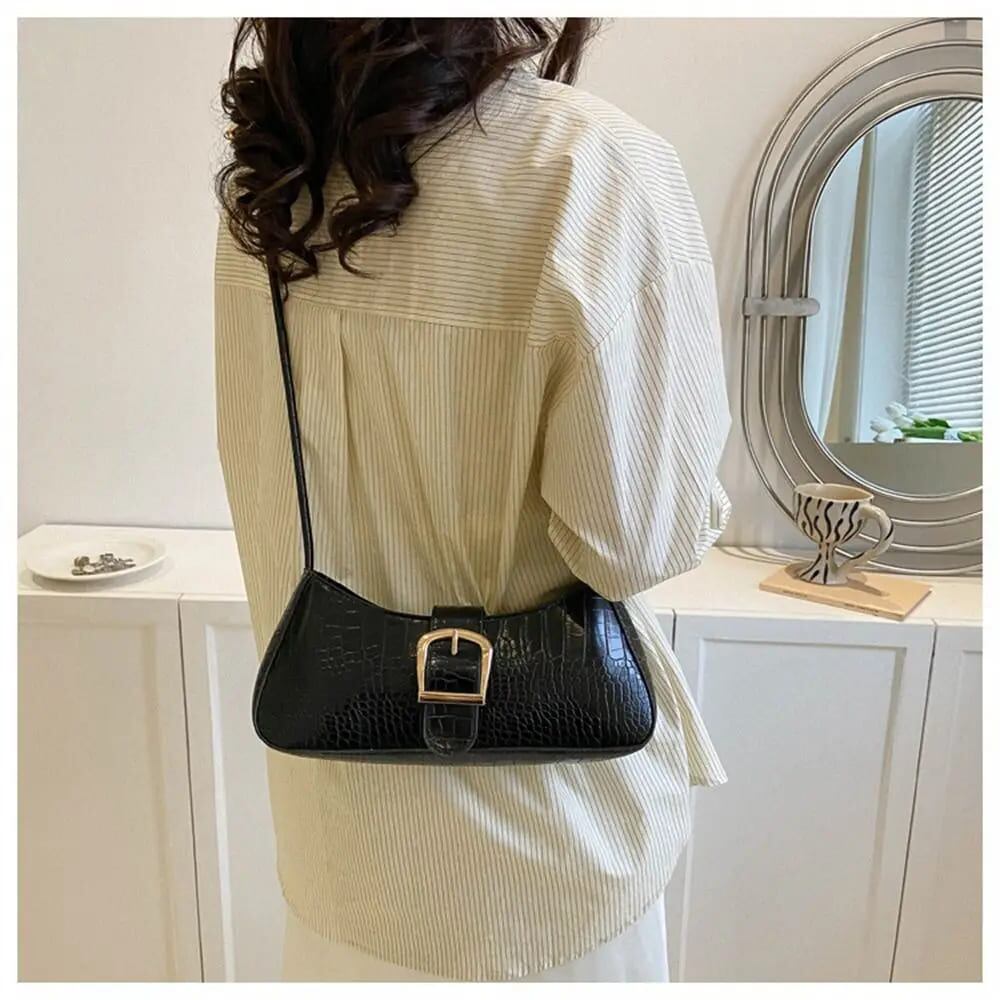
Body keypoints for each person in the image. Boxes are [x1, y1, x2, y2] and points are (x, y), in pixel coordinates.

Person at [214, 17, 732, 983]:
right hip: (546, 869)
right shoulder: (588, 167)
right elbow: (634, 542)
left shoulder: (275, 184)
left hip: (340, 855)